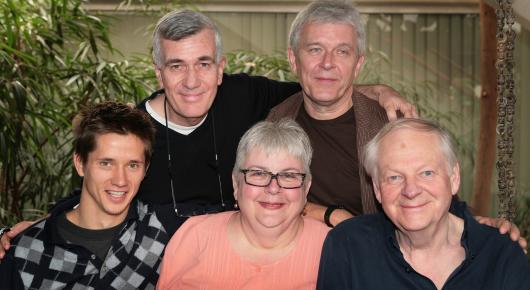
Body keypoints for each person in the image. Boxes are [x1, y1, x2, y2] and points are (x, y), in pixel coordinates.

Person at [316, 118, 530, 290]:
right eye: (394, 177)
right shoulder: (349, 247)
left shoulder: (501, 255)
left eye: (426, 173)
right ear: (377, 190)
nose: (411, 190)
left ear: (454, 178)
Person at [0, 102, 186, 289]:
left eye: (132, 165)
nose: (120, 180)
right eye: (106, 163)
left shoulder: (165, 229)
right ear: (80, 164)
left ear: (145, 169)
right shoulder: (24, 252)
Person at [156, 119, 330, 289]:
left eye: (289, 175)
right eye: (258, 173)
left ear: (306, 188)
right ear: (236, 184)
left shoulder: (333, 248)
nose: (273, 188)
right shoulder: (193, 237)